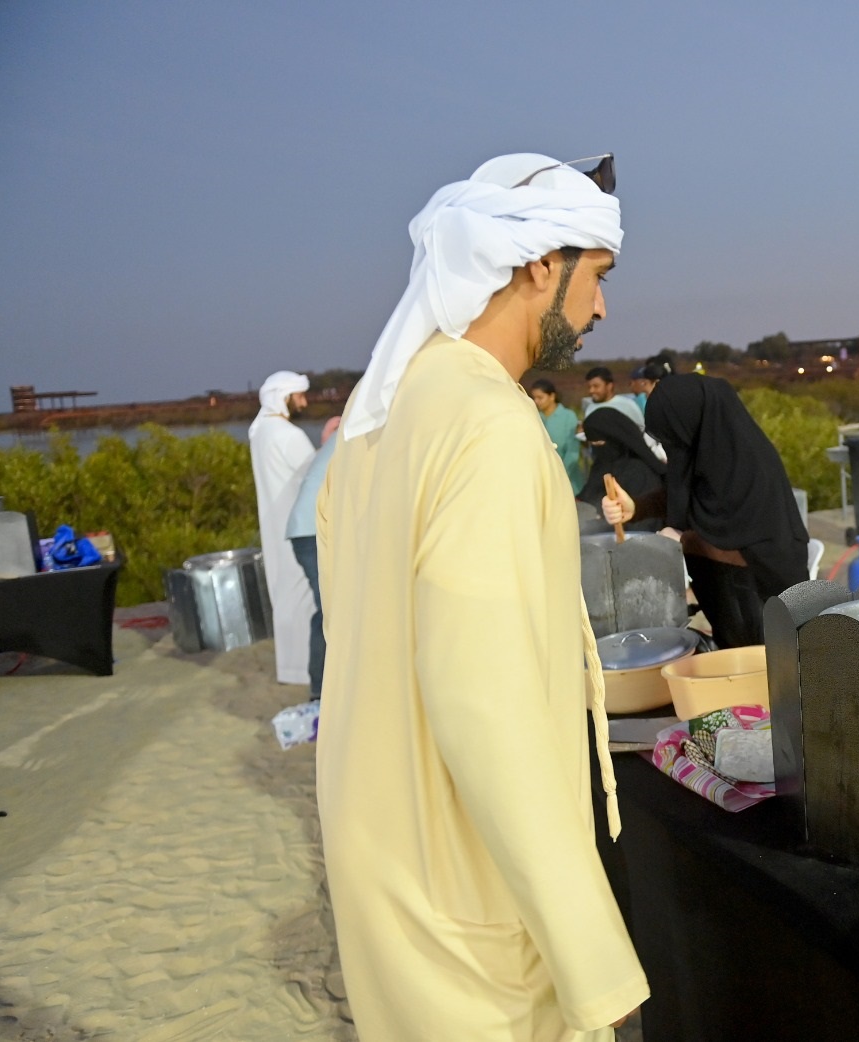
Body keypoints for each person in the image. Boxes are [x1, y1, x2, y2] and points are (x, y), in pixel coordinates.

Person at [316, 152, 646, 1040]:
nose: (601, 308)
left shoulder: (387, 415)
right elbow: (481, 702)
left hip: (382, 835)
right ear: (540, 265)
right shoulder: (488, 424)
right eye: (598, 276)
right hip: (464, 873)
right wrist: (588, 946)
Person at [602, 374, 809, 647]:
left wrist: (684, 540)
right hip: (726, 600)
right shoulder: (701, 451)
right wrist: (635, 508)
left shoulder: (749, 470)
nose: (671, 448)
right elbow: (680, 492)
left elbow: (754, 549)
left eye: (673, 438)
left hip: (768, 604)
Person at [248, 370, 316, 686]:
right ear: (284, 397)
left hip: (275, 522)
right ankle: (304, 669)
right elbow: (315, 479)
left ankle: (290, 667)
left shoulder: (262, 432)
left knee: (285, 591)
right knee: (303, 593)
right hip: (298, 524)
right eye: (299, 394)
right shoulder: (288, 435)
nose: (304, 400)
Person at [284, 415, 340, 698]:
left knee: (333, 608)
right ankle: (319, 692)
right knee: (330, 610)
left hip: (310, 531)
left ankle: (325, 689)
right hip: (311, 534)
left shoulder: (348, 436)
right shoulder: (356, 440)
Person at [578, 407, 665, 531]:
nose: (596, 450)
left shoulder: (640, 471)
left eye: (599, 443)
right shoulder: (601, 464)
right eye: (592, 444)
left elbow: (645, 524)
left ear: (616, 438)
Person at [530, 378, 584, 493]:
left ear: (552, 396)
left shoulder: (568, 416)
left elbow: (572, 451)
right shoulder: (534, 417)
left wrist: (560, 475)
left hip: (568, 480)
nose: (536, 401)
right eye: (534, 398)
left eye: (540, 398)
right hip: (542, 481)